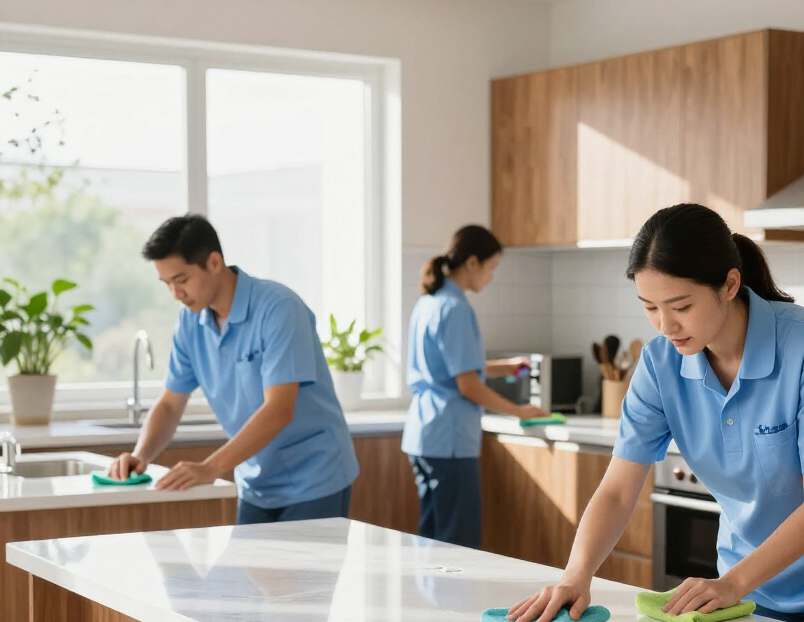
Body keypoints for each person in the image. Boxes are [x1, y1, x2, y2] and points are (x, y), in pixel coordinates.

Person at [508, 204, 804, 622]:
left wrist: (732, 585)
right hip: (749, 580)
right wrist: (577, 574)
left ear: (729, 285)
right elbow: (619, 489)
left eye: (680, 306)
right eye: (650, 308)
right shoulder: (660, 364)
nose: (666, 325)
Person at [107, 214, 360, 525]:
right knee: (247, 574)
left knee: (301, 575)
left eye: (182, 280)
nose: (175, 294)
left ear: (214, 262)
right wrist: (141, 455)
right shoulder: (191, 321)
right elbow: (171, 405)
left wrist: (210, 468)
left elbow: (279, 409)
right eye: (167, 283)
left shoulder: (279, 308)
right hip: (255, 483)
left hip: (314, 479)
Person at [402, 225, 548, 548]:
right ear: (471, 263)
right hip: (450, 439)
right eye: (491, 267)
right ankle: (453, 600)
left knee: (433, 537)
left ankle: (430, 600)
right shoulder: (456, 309)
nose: (491, 277)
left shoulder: (429, 302)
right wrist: (519, 411)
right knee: (458, 543)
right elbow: (467, 386)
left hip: (424, 434)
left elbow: (446, 370)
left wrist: (503, 367)